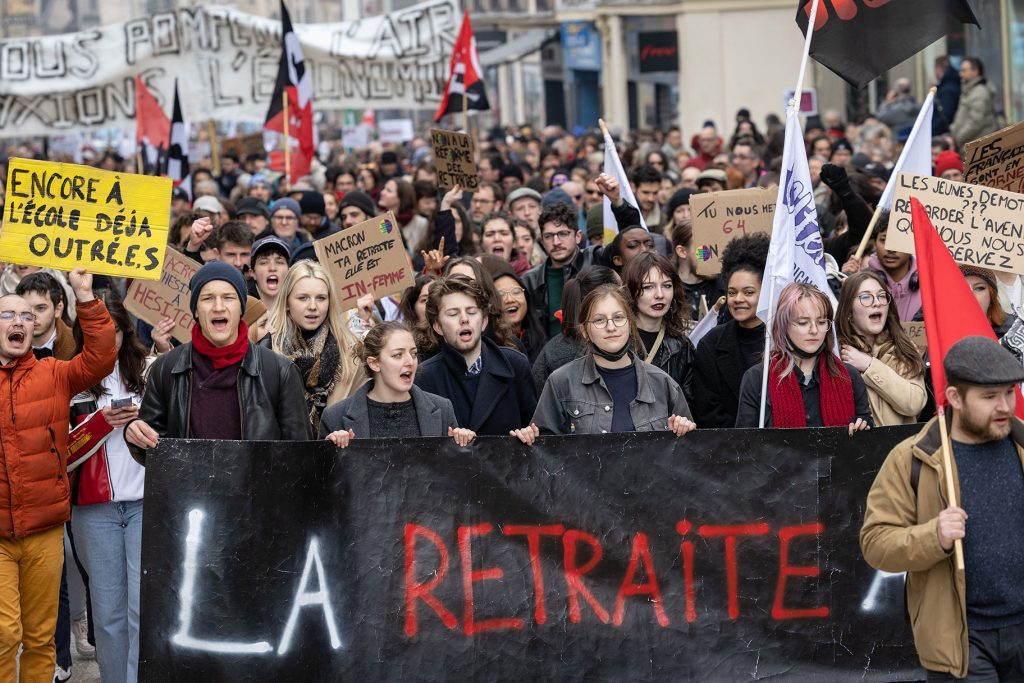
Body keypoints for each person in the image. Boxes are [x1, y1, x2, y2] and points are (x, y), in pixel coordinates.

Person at [861, 336, 1024, 681]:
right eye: (989, 397)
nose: (1004, 406)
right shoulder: (913, 458)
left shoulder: (1021, 448)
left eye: (1009, 392)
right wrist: (933, 536)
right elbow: (876, 543)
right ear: (955, 397)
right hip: (960, 641)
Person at [0, 268, 116, 682]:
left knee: (40, 636)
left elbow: (101, 357)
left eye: (27, 315)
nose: (19, 321)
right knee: (4, 632)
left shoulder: (54, 373)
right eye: (8, 314)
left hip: (44, 528)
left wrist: (85, 296)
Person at [125, 262, 313, 462]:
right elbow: (153, 453)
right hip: (189, 483)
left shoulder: (279, 371)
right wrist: (135, 434)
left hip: (257, 483)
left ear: (241, 308)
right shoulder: (166, 369)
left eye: (228, 298)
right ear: (195, 310)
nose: (218, 307)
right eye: (207, 298)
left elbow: (300, 457)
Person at [69, 290, 148, 683]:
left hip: (146, 504)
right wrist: (101, 423)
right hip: (93, 509)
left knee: (141, 609)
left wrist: (144, 424)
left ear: (124, 330)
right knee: (107, 613)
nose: (105, 338)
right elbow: (59, 453)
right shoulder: (69, 378)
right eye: (95, 331)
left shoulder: (150, 371)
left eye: (113, 329)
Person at [513, 283, 696, 441]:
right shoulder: (561, 382)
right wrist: (530, 439)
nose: (611, 327)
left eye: (618, 318)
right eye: (599, 320)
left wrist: (684, 430)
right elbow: (544, 452)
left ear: (630, 323)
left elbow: (687, 456)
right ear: (585, 331)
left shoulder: (662, 383)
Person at [736, 283, 874, 432]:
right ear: (783, 326)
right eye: (803, 322)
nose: (814, 330)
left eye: (821, 322)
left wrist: (863, 425)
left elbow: (866, 426)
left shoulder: (849, 375)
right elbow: (743, 442)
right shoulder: (758, 379)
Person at [415, 275, 537, 436]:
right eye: (453, 314)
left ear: (484, 321)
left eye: (472, 312)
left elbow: (539, 432)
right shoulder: (425, 377)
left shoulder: (515, 364)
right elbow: (424, 444)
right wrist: (450, 443)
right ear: (438, 326)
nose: (464, 319)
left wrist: (529, 436)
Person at [319, 322, 474, 447]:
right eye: (397, 355)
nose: (410, 361)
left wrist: (465, 444)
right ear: (374, 363)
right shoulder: (335, 416)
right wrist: (332, 450)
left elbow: (454, 471)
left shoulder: (442, 409)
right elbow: (325, 474)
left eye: (413, 353)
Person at [265, 261, 363, 434]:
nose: (313, 306)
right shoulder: (267, 347)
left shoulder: (351, 350)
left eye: (321, 298)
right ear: (286, 302)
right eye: (303, 298)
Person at [692, 233, 769, 428]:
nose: (738, 299)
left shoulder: (783, 339)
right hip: (727, 442)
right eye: (732, 292)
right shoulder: (710, 344)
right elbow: (707, 411)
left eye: (748, 292)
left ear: (766, 292)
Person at [836, 272, 927, 426]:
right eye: (866, 297)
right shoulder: (836, 353)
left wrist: (869, 366)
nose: (877, 303)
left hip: (900, 441)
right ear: (849, 310)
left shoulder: (902, 347)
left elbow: (915, 403)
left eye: (881, 296)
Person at [623, 252, 695, 403]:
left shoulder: (681, 346)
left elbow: (688, 404)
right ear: (631, 291)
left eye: (667, 286)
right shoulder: (615, 339)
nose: (660, 295)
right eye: (648, 287)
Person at [868, 213, 921, 321]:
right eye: (884, 240)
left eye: (899, 240)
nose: (891, 249)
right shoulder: (860, 285)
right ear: (875, 243)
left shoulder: (930, 286)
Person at [669, 220, 724, 319]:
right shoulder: (666, 291)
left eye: (714, 247)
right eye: (704, 249)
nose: (712, 255)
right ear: (682, 251)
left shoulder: (725, 287)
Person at [15, 272, 75, 360]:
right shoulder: (6, 345)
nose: (32, 316)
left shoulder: (78, 344)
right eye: (26, 309)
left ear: (58, 309)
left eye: (40, 308)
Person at [950, 57, 999, 145]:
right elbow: (961, 118)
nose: (960, 74)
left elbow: (975, 122)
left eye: (964, 70)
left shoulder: (979, 92)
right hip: (970, 143)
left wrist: (957, 139)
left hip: (979, 145)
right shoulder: (969, 91)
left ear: (975, 71)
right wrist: (952, 134)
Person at [249, 236, 291, 309]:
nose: (272, 268)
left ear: (289, 271)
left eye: (279, 262)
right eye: (264, 263)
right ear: (252, 272)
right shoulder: (242, 308)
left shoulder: (298, 308)